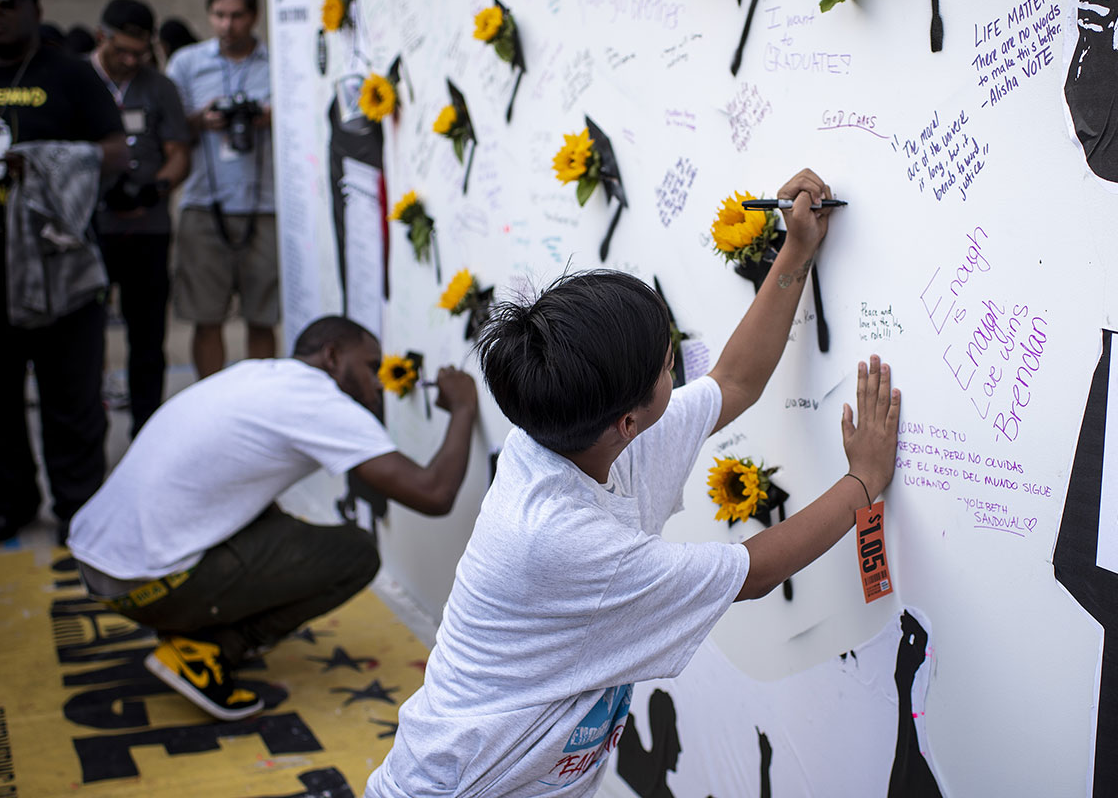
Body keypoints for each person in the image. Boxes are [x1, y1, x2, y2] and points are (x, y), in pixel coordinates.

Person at [366, 170, 903, 797]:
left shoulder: (572, 429)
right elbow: (752, 573)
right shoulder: (562, 539)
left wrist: (796, 250)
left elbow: (733, 383)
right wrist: (862, 481)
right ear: (628, 419)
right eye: (666, 363)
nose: (675, 364)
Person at [67, 316, 479, 722]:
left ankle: (193, 622)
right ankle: (210, 649)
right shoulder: (320, 401)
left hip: (97, 561)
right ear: (332, 356)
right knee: (356, 554)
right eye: (371, 366)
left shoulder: (258, 375)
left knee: (279, 522)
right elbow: (434, 493)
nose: (378, 383)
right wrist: (463, 406)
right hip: (140, 581)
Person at [0, 0, 129, 544]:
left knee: (70, 394)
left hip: (57, 262)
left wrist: (49, 161)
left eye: (5, 4)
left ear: (34, 10)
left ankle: (78, 505)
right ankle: (12, 501)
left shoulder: (69, 75)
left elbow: (117, 151)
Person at [167, 0, 277, 379]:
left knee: (263, 315)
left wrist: (270, 119)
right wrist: (200, 119)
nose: (227, 25)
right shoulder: (186, 63)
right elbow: (167, 128)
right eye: (219, 16)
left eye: (237, 16)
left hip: (265, 204)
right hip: (203, 202)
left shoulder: (276, 63)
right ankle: (210, 398)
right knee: (205, 315)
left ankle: (258, 400)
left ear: (254, 17)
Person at [91, 0, 190, 437]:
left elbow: (178, 154)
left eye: (140, 52)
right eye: (122, 51)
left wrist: (156, 188)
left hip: (147, 228)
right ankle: (88, 429)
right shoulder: (78, 79)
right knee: (85, 337)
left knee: (147, 337)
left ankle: (146, 431)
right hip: (89, 231)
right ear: (102, 37)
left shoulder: (159, 87)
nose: (131, 60)